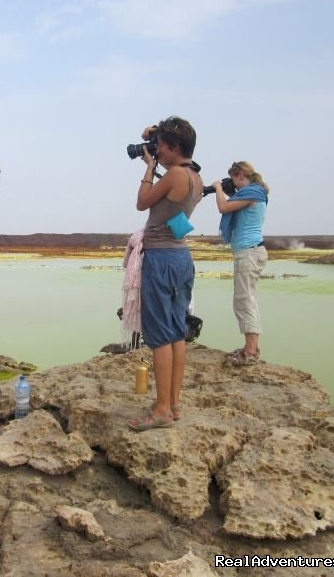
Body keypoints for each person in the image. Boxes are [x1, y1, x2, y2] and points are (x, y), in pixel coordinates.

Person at [126, 116, 202, 431]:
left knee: (159, 336)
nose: (158, 151)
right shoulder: (195, 177)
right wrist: (153, 137)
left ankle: (160, 411)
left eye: (161, 147)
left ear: (173, 148)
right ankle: (173, 404)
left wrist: (147, 166)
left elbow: (142, 203)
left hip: (160, 258)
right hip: (182, 256)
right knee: (176, 332)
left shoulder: (172, 175)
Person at [211, 161, 270, 366]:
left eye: (234, 179)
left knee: (244, 301)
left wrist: (218, 188)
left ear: (242, 174)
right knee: (246, 300)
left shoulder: (253, 192)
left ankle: (251, 352)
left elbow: (223, 207)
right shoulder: (254, 193)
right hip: (250, 251)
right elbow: (232, 204)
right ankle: (250, 347)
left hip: (249, 252)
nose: (234, 185)